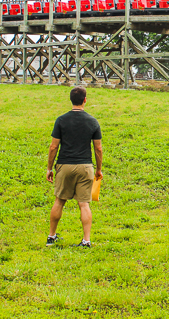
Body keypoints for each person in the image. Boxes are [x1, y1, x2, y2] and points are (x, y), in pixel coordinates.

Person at [46, 86, 103, 248]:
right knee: (84, 204)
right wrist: (98, 169)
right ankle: (86, 240)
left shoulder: (61, 120)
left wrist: (50, 168)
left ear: (71, 100)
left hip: (65, 165)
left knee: (59, 201)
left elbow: (53, 147)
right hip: (85, 166)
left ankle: (51, 237)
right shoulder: (92, 121)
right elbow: (98, 148)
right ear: (85, 100)